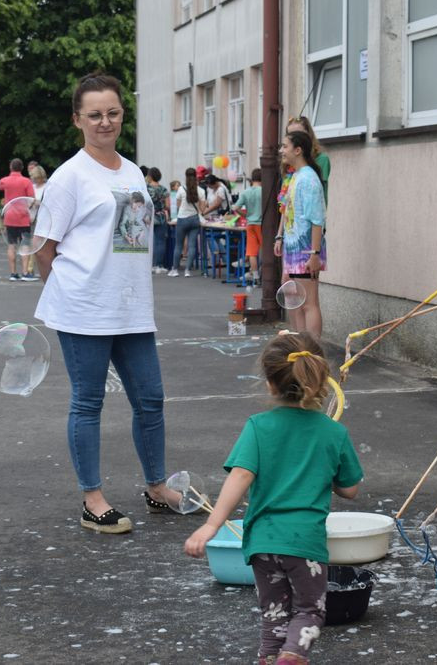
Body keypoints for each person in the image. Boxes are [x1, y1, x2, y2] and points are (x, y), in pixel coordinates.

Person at [33, 71, 179, 534]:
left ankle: (157, 488)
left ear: (121, 115)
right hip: (84, 309)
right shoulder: (69, 177)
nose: (104, 122)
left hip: (131, 307)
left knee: (151, 400)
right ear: (78, 119)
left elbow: (131, 242)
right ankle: (92, 499)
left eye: (112, 113)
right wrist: (71, 292)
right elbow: (44, 248)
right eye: (94, 114)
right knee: (88, 402)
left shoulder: (133, 171)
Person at [184, 332, 364, 664]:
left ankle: (271, 657)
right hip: (304, 543)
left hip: (263, 543)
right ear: (319, 378)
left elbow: (241, 475)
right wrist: (327, 473)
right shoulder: (333, 432)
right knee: (309, 612)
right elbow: (350, 489)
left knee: (274, 616)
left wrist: (211, 525)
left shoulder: (257, 426)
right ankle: (293, 654)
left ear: (270, 383)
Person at [274, 131, 326, 338]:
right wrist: (280, 238)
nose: (281, 151)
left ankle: (312, 350)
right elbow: (287, 212)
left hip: (306, 249)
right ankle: (300, 343)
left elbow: (317, 220)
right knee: (293, 298)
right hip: (293, 247)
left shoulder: (309, 180)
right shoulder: (295, 176)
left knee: (308, 302)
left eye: (285, 146)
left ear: (298, 150)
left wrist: (314, 254)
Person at [0, 159, 36, 281]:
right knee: (25, 245)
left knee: (11, 245)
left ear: (10, 167)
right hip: (23, 217)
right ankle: (25, 272)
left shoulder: (5, 180)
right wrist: (28, 209)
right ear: (22, 168)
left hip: (9, 217)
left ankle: (13, 273)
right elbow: (32, 199)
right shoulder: (26, 181)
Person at [169, 167, 212, 277]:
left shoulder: (181, 189)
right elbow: (202, 210)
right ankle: (187, 270)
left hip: (182, 219)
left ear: (186, 176)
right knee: (192, 246)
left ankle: (175, 270)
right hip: (194, 219)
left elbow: (178, 205)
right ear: (196, 177)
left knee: (178, 245)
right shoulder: (201, 191)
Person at [285, 116, 330, 205]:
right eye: (291, 135)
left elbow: (320, 199)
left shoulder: (321, 160)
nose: (295, 139)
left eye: (298, 134)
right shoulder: (288, 161)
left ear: (308, 134)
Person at [232, 168, 263, 284]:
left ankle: (255, 277)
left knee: (252, 252)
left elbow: (235, 207)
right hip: (262, 225)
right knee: (265, 251)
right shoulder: (264, 191)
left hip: (250, 224)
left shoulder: (245, 192)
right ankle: (264, 274)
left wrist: (245, 215)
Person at [146, 168, 170, 273]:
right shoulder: (163, 189)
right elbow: (168, 206)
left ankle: (149, 265)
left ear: (150, 176)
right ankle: (158, 266)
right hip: (160, 217)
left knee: (148, 242)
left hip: (148, 218)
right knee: (160, 242)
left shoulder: (145, 188)